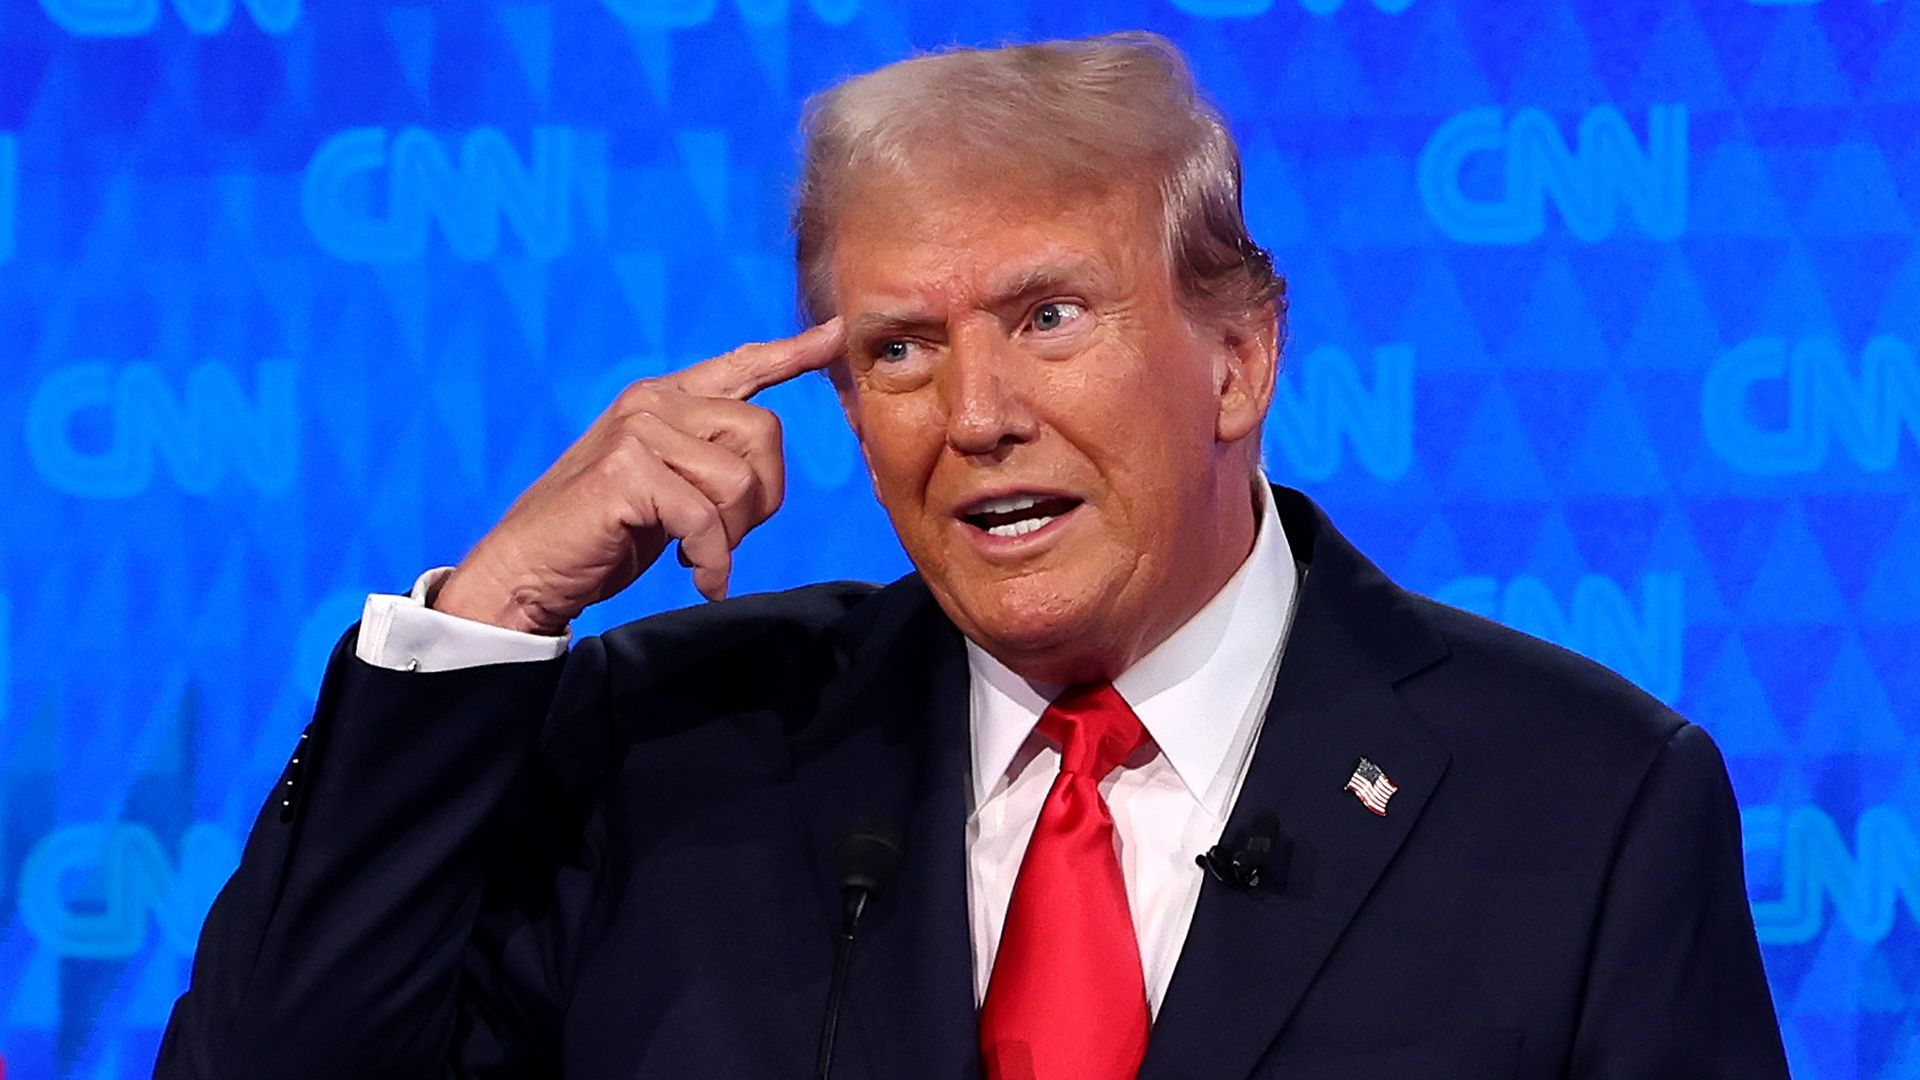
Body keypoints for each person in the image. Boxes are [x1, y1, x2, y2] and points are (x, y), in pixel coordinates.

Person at [158, 32, 1789, 1080]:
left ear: (1239, 355)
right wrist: (496, 615)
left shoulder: (1586, 804)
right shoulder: (666, 753)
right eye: (896, 351)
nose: (977, 414)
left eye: (1048, 317)